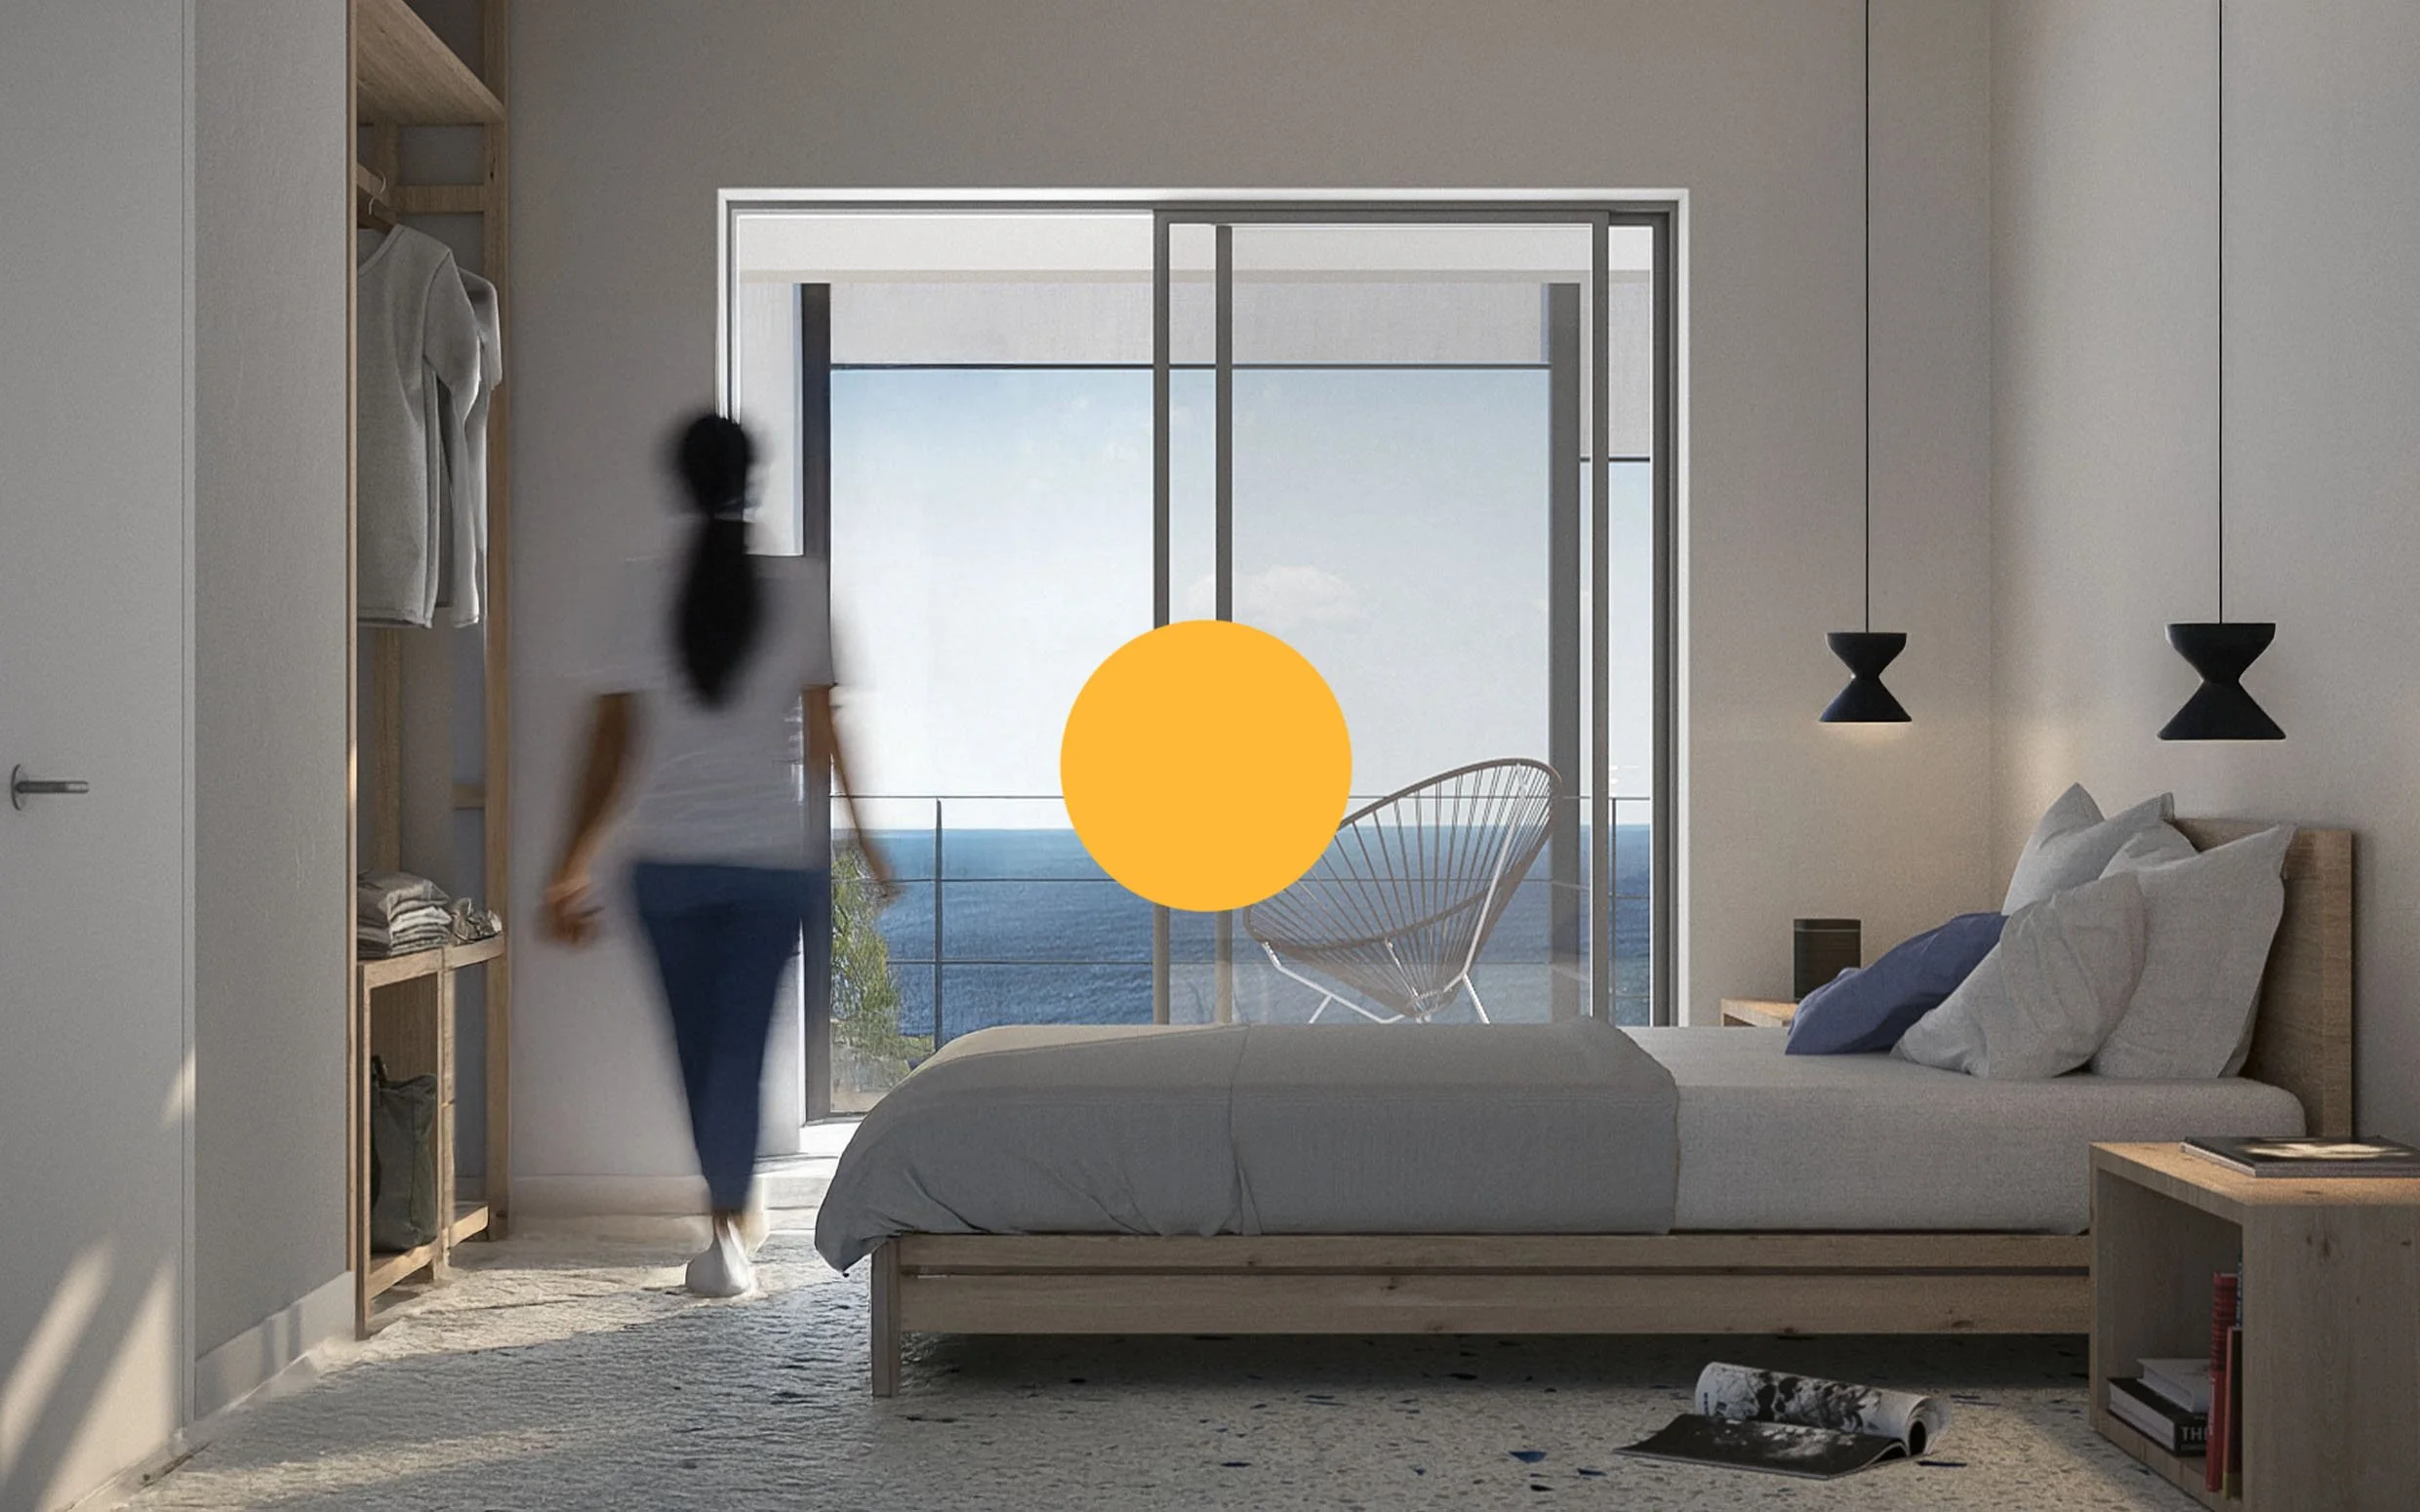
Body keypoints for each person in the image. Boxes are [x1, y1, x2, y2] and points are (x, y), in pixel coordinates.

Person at [544, 411, 889, 1297]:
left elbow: (610, 742)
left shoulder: (638, 589)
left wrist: (570, 862)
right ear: (753, 481)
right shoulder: (801, 586)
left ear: (680, 484)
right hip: (774, 866)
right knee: (735, 1051)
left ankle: (728, 1223)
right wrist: (867, 845)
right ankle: (731, 1221)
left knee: (700, 1052)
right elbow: (824, 737)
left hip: (668, 867)